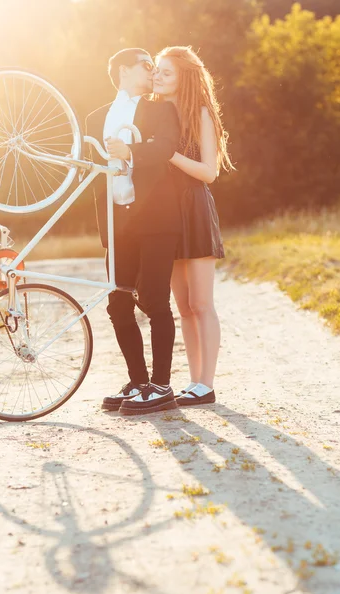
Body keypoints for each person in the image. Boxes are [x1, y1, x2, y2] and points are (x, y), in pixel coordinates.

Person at [85, 48, 182, 415]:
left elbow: (165, 147)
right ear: (124, 70)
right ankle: (138, 381)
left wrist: (129, 150)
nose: (153, 71)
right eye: (146, 65)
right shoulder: (95, 117)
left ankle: (161, 386)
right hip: (117, 222)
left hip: (157, 219)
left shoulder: (161, 109)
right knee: (118, 303)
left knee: (155, 299)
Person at [153, 45, 235, 406]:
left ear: (183, 77)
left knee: (202, 304)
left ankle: (207, 384)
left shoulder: (200, 113)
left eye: (166, 72)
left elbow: (209, 172)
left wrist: (168, 154)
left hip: (195, 211)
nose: (157, 76)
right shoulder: (155, 113)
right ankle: (193, 382)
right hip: (166, 213)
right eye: (156, 70)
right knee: (182, 306)